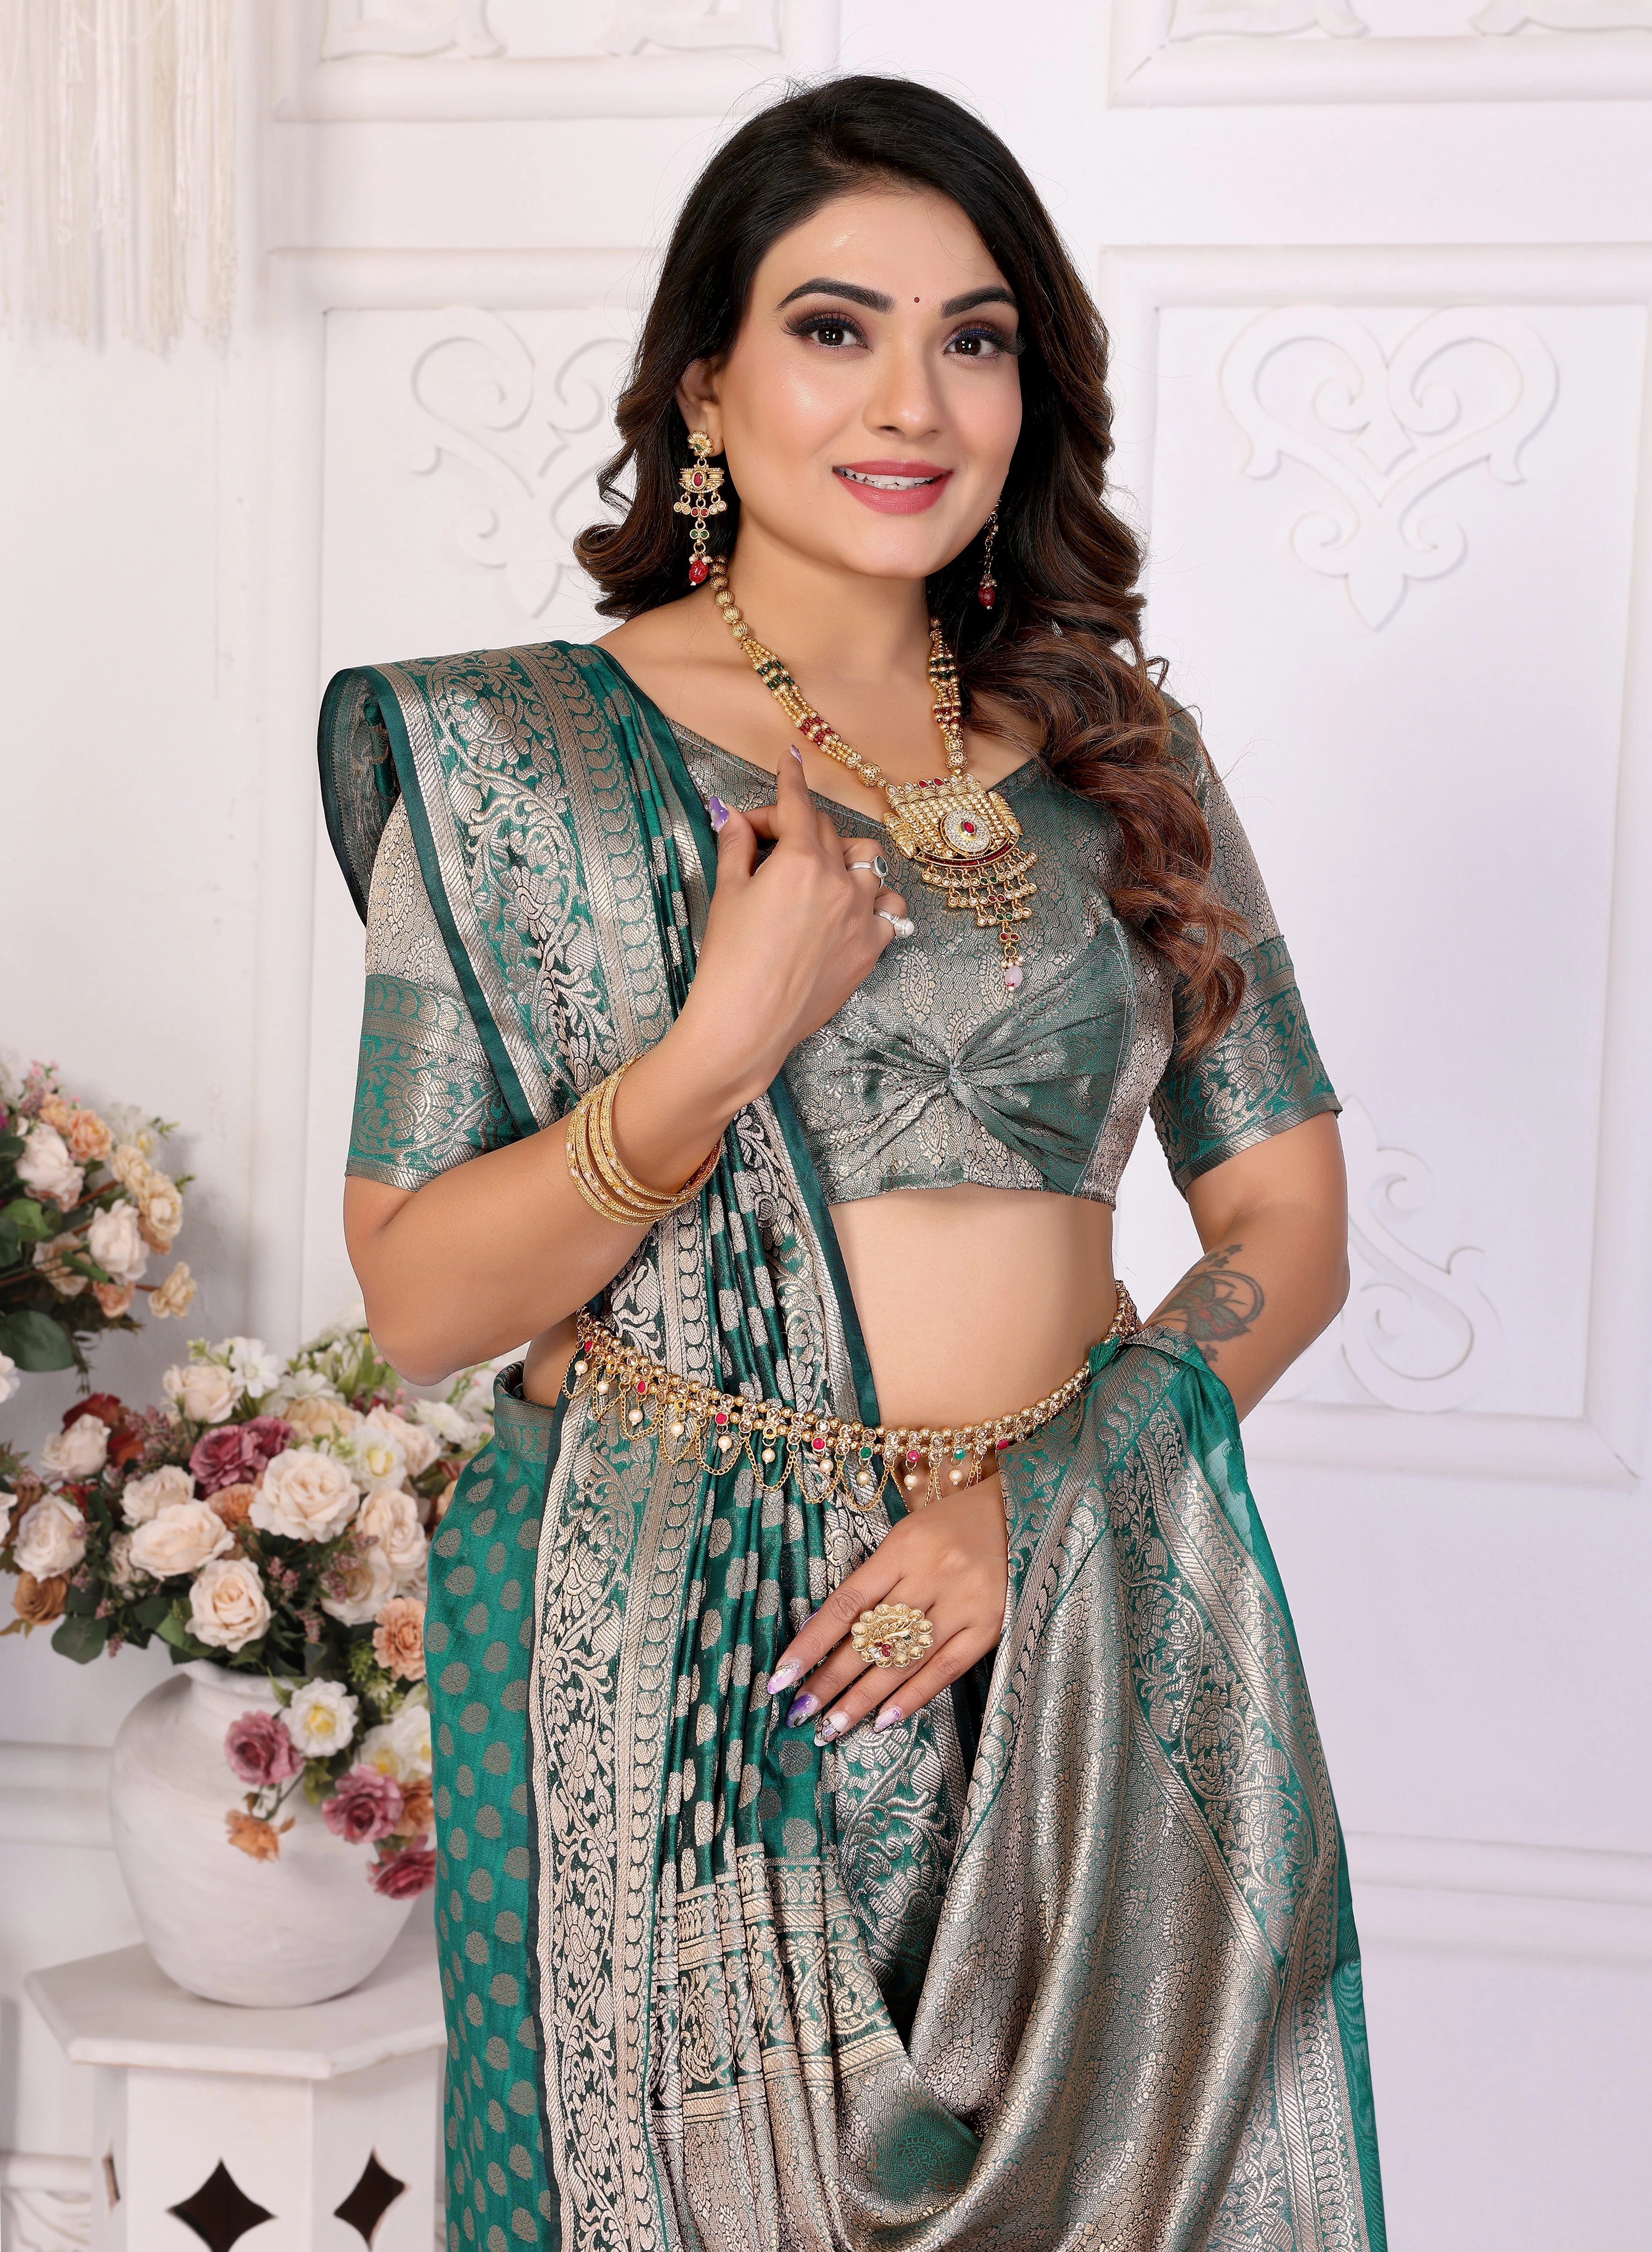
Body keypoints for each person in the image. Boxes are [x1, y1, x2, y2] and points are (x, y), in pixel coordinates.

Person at [320, 73, 1386, 2252]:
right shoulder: (518, 752)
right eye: (836, 328)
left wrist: (1040, 1510)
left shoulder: (1124, 757)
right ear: (705, 383)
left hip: (1080, 1600)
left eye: (975, 336)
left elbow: (1286, 1217)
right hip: (677, 1645)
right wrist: (721, 1046)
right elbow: (422, 1299)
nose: (915, 398)